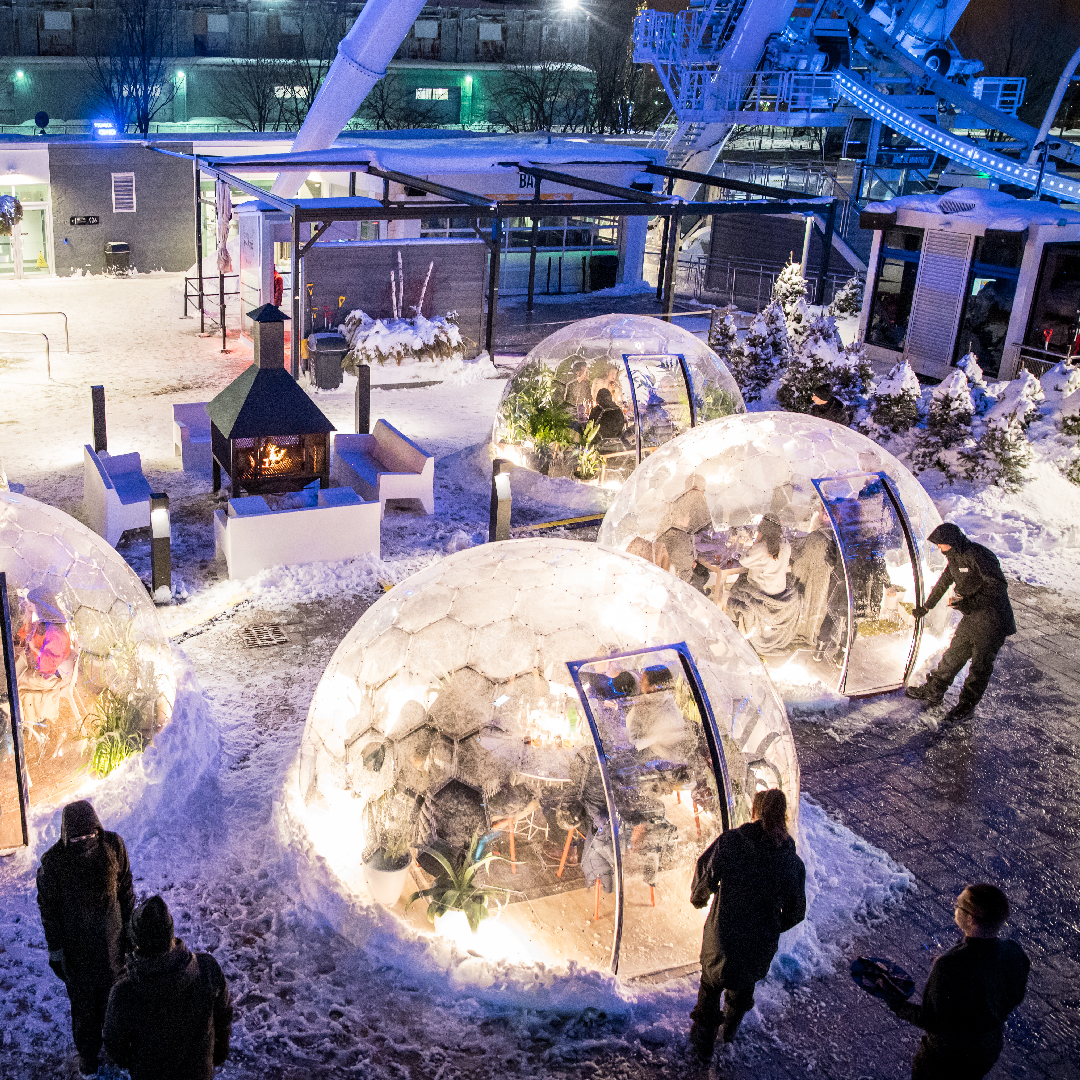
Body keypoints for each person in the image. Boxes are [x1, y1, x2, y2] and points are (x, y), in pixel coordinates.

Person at [688, 788, 805, 1061]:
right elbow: (796, 911)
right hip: (758, 945)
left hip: (722, 938)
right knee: (742, 990)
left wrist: (700, 898)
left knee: (710, 987)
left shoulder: (731, 843)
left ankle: (701, 1049)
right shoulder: (790, 862)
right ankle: (728, 1035)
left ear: (755, 810)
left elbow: (705, 874)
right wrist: (771, 926)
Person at [886, 884, 1029, 1079]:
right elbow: (1013, 995)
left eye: (958, 905)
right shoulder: (1013, 952)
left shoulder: (949, 967)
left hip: (946, 1059)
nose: (955, 908)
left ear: (970, 919)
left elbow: (931, 1020)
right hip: (987, 1049)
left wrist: (896, 1003)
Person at [36, 800, 135, 1077]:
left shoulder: (113, 847)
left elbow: (125, 887)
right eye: (78, 838)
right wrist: (56, 950)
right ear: (67, 837)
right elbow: (49, 912)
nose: (85, 841)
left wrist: (130, 930)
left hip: (113, 945)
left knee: (116, 999)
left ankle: (120, 1046)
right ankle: (89, 1052)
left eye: (90, 835)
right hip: (78, 952)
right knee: (84, 1007)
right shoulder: (53, 865)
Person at [104, 895, 233, 1080]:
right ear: (171, 933)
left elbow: (115, 1045)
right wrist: (218, 1054)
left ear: (137, 942)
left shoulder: (124, 993)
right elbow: (224, 1015)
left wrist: (133, 1063)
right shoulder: (207, 968)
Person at [905, 523, 1016, 724]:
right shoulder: (954, 558)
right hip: (973, 617)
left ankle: (967, 706)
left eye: (941, 544)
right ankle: (934, 689)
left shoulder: (978, 555)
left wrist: (969, 603)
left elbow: (998, 585)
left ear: (952, 542)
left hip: (993, 620)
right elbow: (943, 583)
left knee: (980, 666)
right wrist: (926, 607)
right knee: (953, 655)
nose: (939, 548)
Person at [725, 515, 800, 653]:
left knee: (739, 584)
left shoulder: (761, 548)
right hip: (780, 591)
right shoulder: (786, 545)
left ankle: (732, 623)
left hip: (762, 592)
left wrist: (755, 543)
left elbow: (743, 562)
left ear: (761, 530)